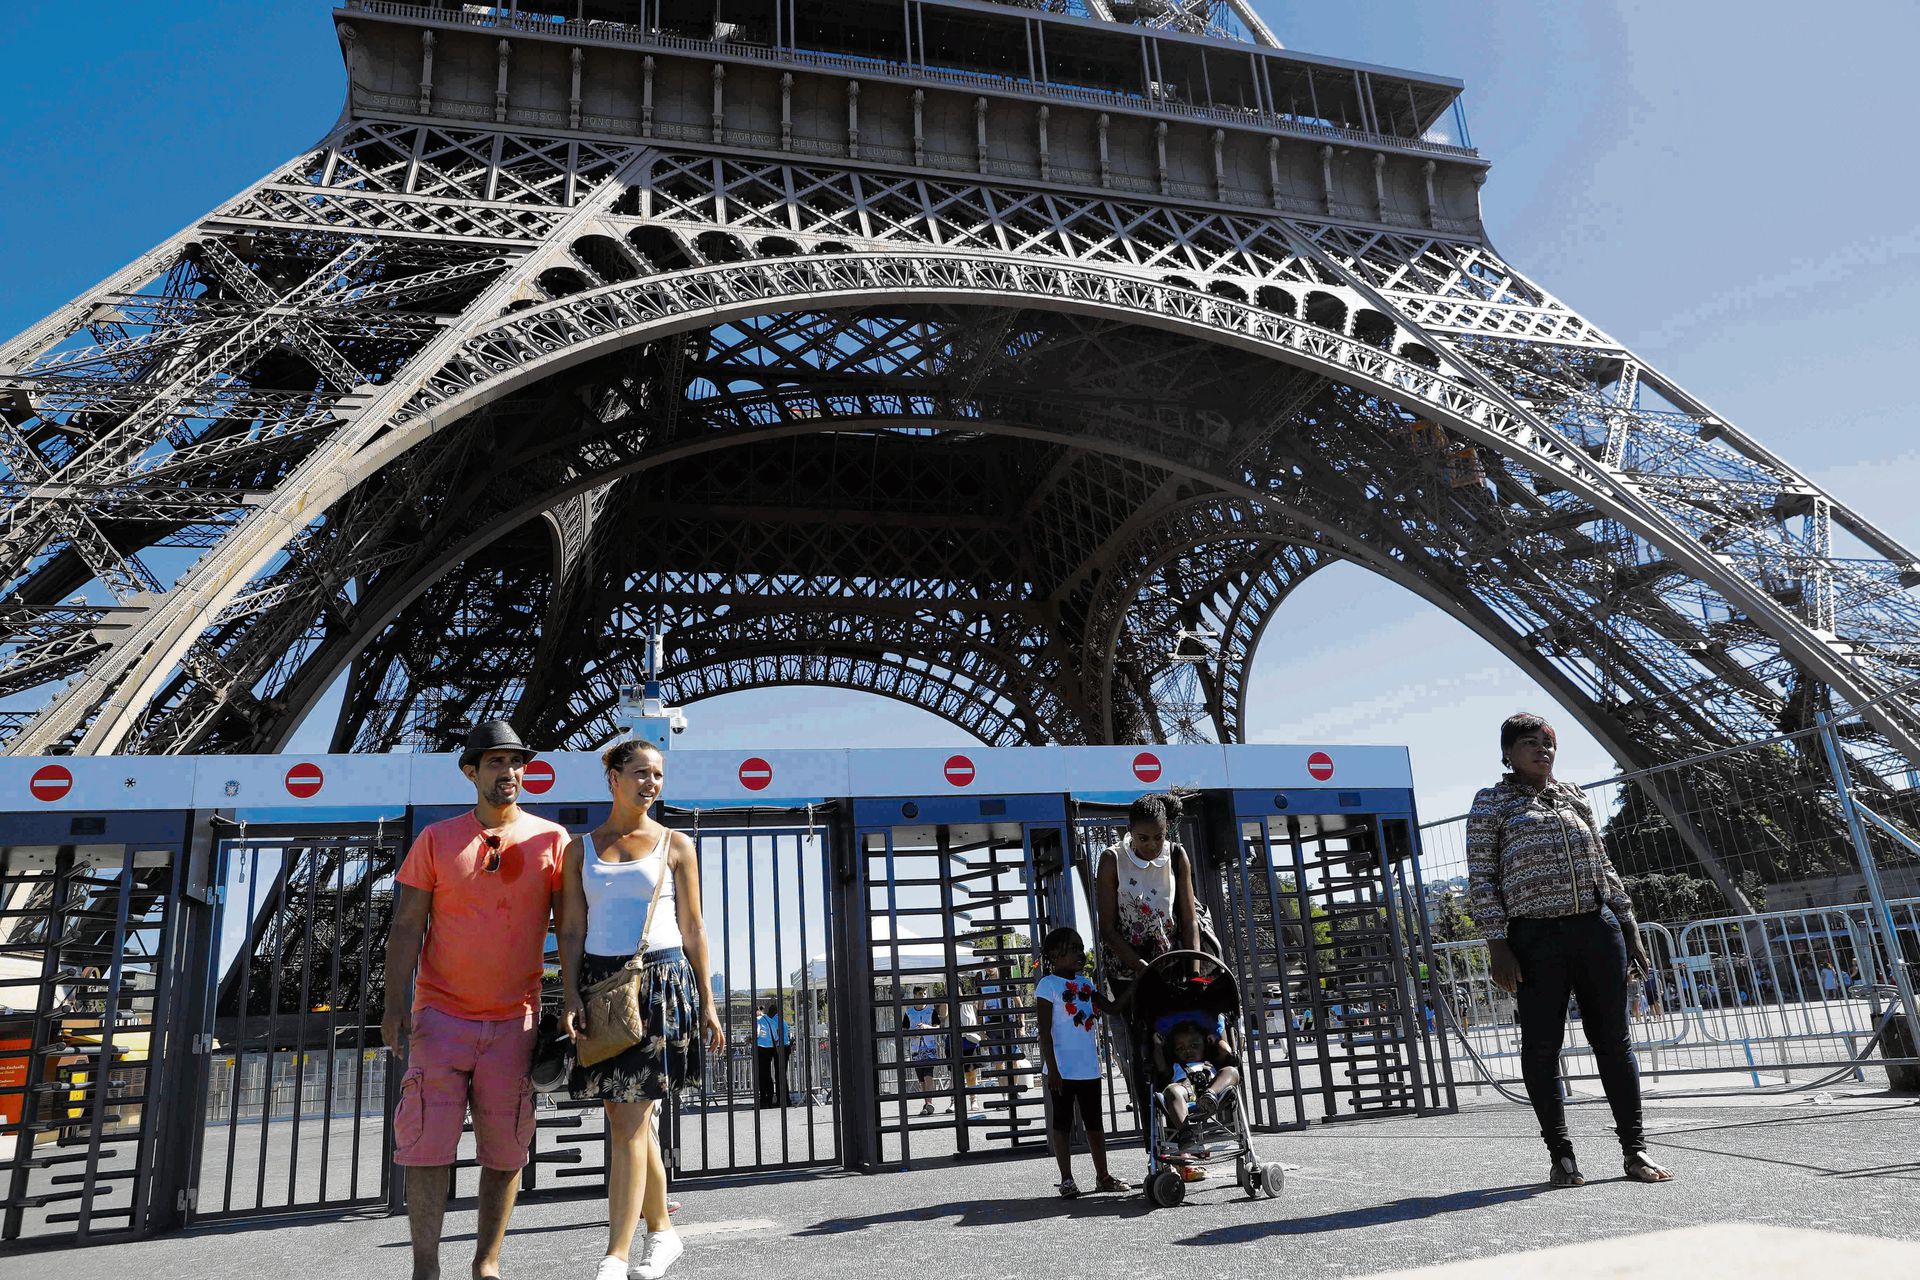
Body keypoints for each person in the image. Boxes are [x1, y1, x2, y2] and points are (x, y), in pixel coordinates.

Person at [383, 720, 569, 1280]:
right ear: (471, 771)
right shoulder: (436, 839)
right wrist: (394, 1010)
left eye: (516, 762)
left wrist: (573, 1000)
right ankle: (425, 1267)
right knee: (426, 1147)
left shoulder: (551, 840)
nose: (509, 772)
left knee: (506, 1149)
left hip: (516, 1018)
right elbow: (407, 926)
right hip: (440, 1015)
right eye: (495, 762)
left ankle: (486, 1262)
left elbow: (573, 928)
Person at [1468, 712, 1673, 1188]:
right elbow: (1482, 877)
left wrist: (1630, 924)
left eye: (1548, 742)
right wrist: (1497, 942)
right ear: (1507, 753)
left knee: (1614, 1042)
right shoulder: (1491, 802)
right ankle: (1561, 1154)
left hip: (1597, 928)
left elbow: (1603, 864)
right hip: (1533, 938)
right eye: (1529, 742)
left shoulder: (1574, 796)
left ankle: (1635, 1149)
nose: (1542, 749)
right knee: (1542, 1046)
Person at [559, 739, 726, 1280]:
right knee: (624, 1113)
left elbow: (695, 927)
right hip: (601, 986)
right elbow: (572, 928)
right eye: (639, 772)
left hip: (661, 982)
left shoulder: (676, 843)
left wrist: (708, 1000)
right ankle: (664, 1232)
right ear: (611, 775)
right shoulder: (578, 850)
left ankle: (617, 1253)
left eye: (657, 774)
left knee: (630, 1117)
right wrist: (569, 993)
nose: (650, 783)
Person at [1033, 926, 1129, 1197]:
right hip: (1060, 1070)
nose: (1080, 953)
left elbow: (1111, 1008)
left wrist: (1135, 981)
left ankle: (1103, 1176)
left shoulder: (1086, 984)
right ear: (1054, 954)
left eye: (1080, 947)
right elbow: (1044, 1033)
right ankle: (1067, 1179)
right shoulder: (1047, 985)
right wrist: (1052, 1070)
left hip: (1088, 1069)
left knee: (1095, 1124)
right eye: (1073, 948)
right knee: (1063, 1124)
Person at [1155, 1017, 1240, 1179]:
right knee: (1171, 1090)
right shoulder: (1176, 1066)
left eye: (1194, 1046)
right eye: (1180, 1048)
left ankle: (1210, 1095)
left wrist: (1215, 1040)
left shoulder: (1210, 1061)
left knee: (1231, 1071)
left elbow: (1227, 1053)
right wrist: (1158, 1047)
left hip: (1213, 1091)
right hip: (1186, 1094)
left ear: (1205, 1045)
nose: (1188, 1051)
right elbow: (1160, 1068)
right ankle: (1185, 1132)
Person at [901, 989, 941, 1114]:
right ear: (914, 995)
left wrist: (926, 1027)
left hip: (929, 1048)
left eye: (924, 993)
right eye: (920, 994)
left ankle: (929, 1102)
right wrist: (912, 1034)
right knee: (921, 1079)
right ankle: (926, 1103)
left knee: (928, 1075)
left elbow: (937, 1027)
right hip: (916, 1049)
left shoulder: (931, 1010)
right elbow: (904, 1031)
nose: (923, 996)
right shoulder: (909, 1012)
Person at [755, 999, 793, 1109]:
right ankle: (785, 1099)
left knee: (778, 1074)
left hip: (779, 1048)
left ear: (771, 1013)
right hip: (786, 1047)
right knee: (782, 1074)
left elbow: (775, 1035)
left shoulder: (774, 1021)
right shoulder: (783, 1021)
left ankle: (781, 1100)